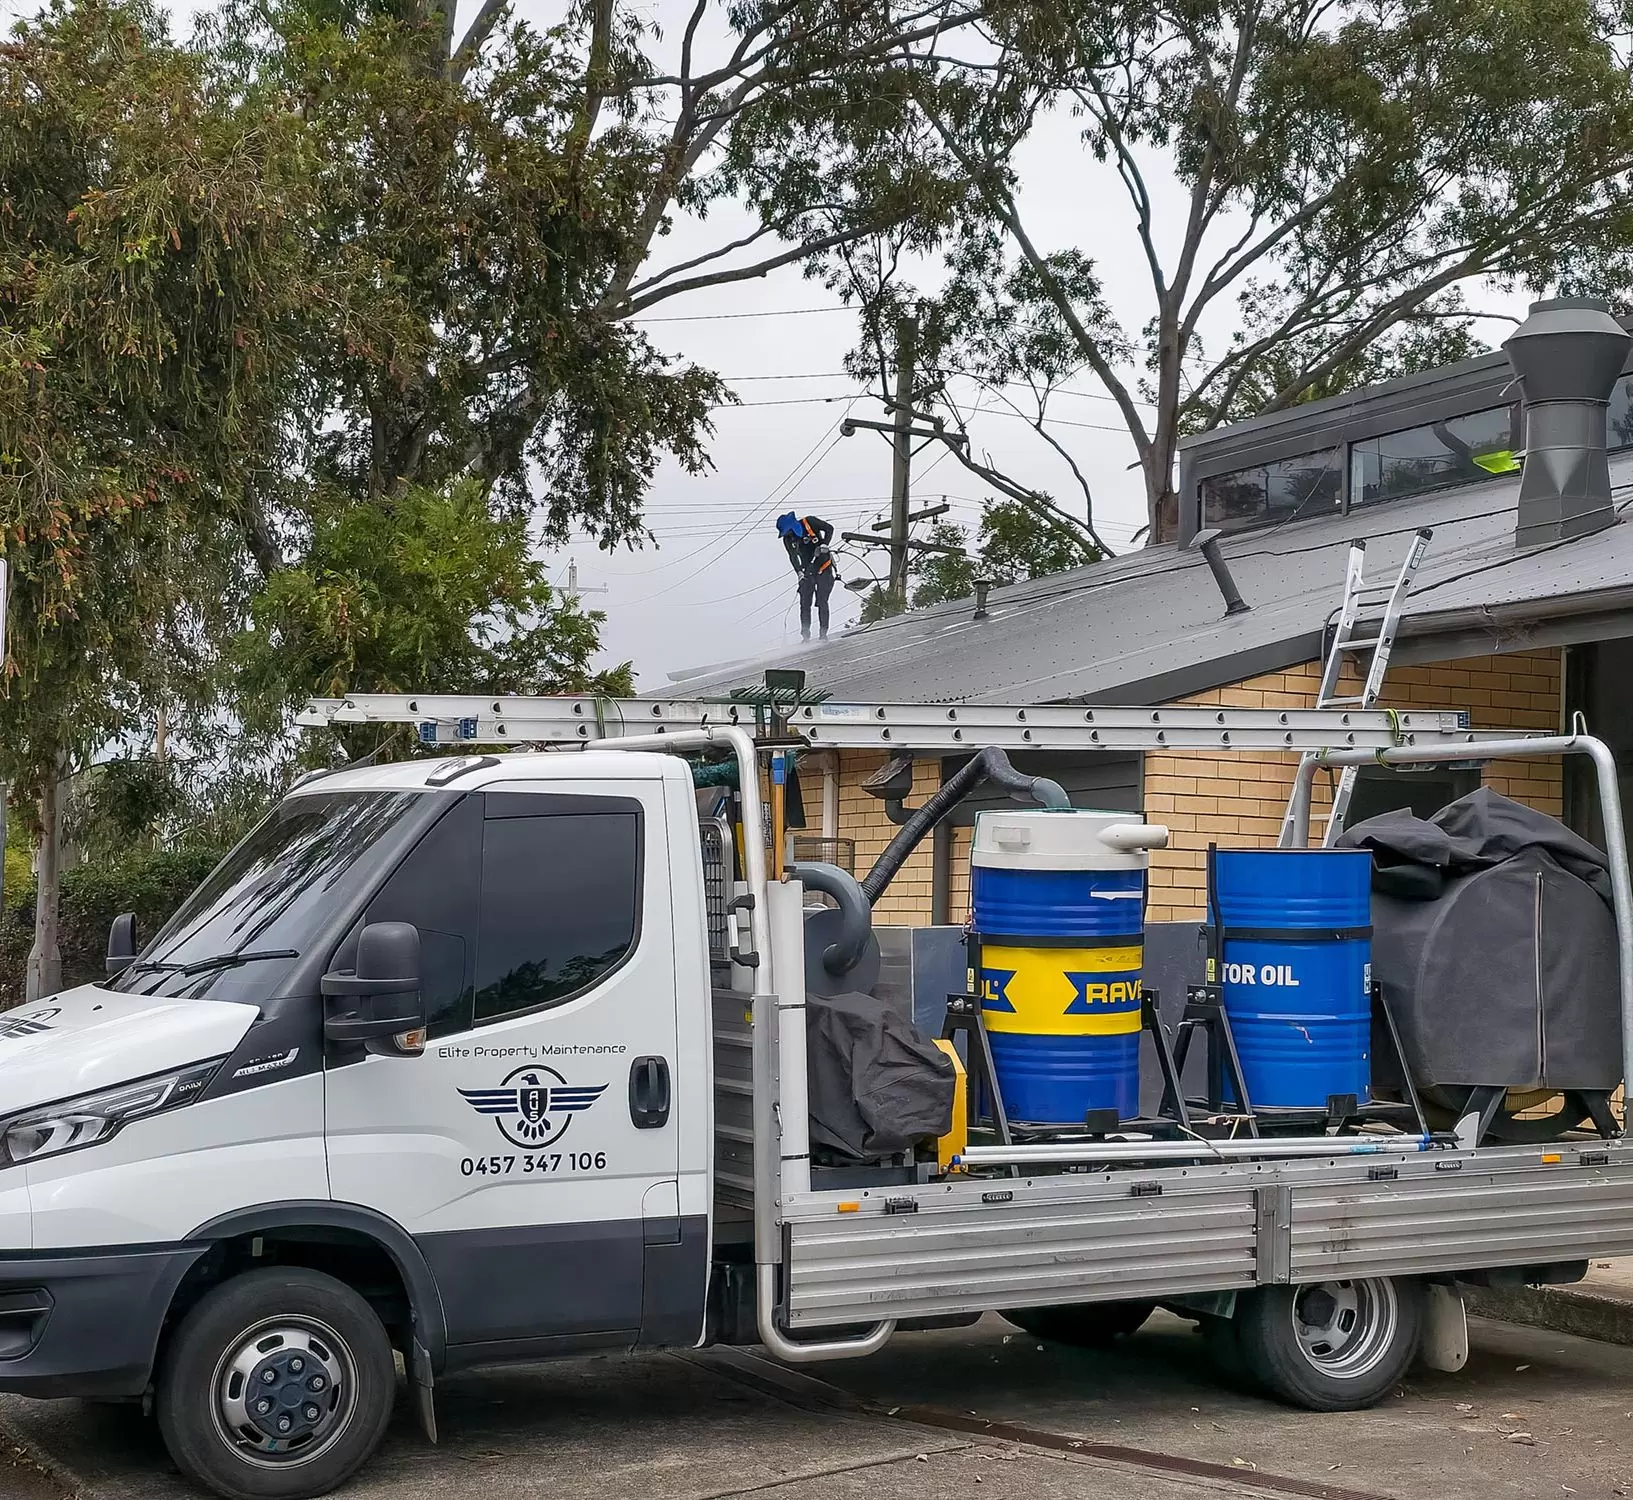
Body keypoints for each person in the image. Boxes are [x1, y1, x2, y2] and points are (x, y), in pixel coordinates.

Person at [776, 512, 837, 640]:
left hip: (823, 567)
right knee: (805, 603)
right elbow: (793, 556)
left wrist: (824, 544)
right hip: (807, 570)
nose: (789, 535)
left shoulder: (810, 522)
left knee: (822, 601)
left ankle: (823, 634)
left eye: (789, 532)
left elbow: (829, 528)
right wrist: (799, 572)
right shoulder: (787, 540)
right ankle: (805, 636)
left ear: (793, 526)